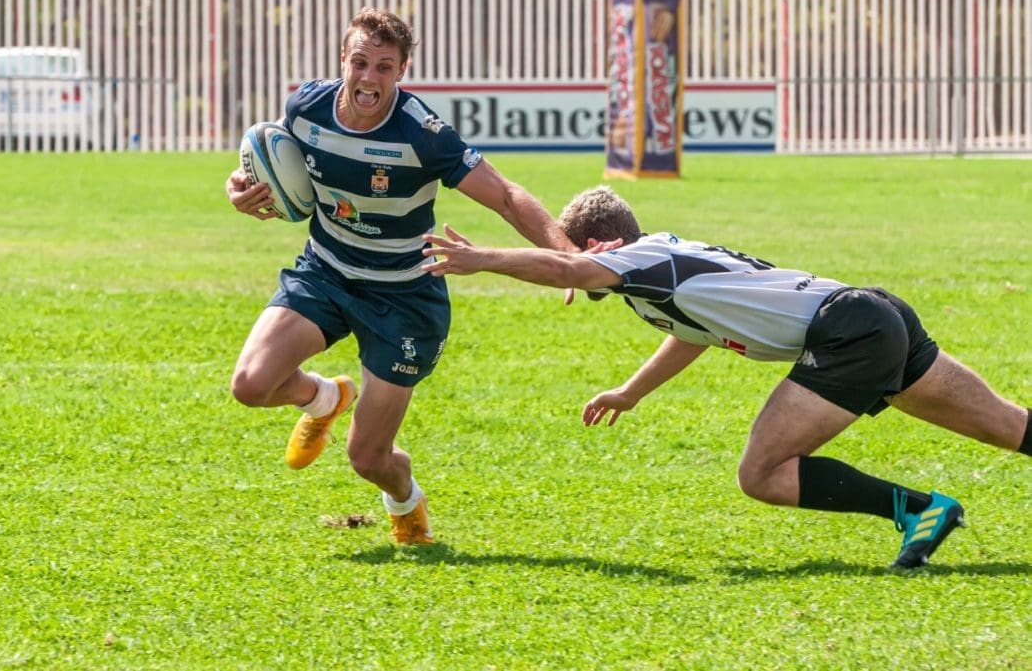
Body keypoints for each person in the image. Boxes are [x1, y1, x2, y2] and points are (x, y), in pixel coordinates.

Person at [421, 185, 1031, 567]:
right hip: (870, 311)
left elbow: (565, 272)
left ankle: (918, 510)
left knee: (761, 473)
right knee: (1004, 425)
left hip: (851, 333)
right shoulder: (658, 271)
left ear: (602, 243)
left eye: (577, 249)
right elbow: (693, 335)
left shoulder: (639, 258)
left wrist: (484, 260)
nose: (580, 267)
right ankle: (922, 510)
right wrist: (631, 393)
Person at [225, 7, 577, 544]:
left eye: (384, 67)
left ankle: (405, 499)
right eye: (360, 63)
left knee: (367, 458)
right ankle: (324, 398)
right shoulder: (305, 107)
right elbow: (273, 172)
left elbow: (505, 195)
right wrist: (243, 192)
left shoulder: (423, 134)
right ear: (344, 59)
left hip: (404, 297)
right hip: (327, 272)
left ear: (403, 69)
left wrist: (567, 256)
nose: (369, 79)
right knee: (250, 385)